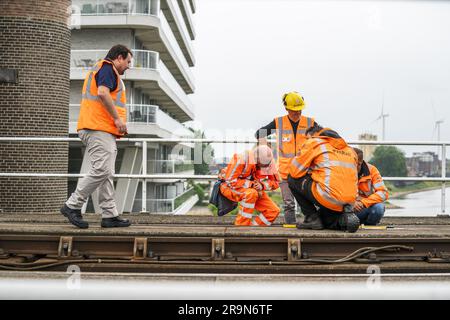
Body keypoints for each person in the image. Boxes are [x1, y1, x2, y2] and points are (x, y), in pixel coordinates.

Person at [60, 44, 133, 229]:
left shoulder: (106, 70)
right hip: (97, 129)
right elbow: (102, 93)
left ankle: (109, 215)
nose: (129, 66)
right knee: (102, 170)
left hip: (100, 129)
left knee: (106, 172)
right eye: (128, 61)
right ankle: (72, 205)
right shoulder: (107, 68)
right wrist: (117, 120)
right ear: (118, 57)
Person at [255, 91, 321, 224]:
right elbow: (259, 133)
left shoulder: (310, 122)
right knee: (289, 203)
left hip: (305, 171)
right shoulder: (279, 122)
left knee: (311, 202)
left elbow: (324, 135)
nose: (298, 112)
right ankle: (290, 228)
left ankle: (312, 222)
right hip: (286, 171)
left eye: (299, 110)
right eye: (294, 110)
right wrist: (263, 144)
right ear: (287, 108)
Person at [287, 126, 360, 232]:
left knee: (292, 179)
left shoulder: (315, 143)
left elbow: (295, 171)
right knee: (325, 219)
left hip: (328, 196)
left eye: (308, 138)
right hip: (349, 202)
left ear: (316, 135)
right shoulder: (351, 150)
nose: (308, 141)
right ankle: (342, 220)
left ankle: (311, 218)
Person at [219, 145, 281, 226]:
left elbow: (276, 182)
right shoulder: (241, 159)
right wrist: (252, 185)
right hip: (228, 186)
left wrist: (262, 186)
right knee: (251, 193)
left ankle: (254, 229)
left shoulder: (268, 162)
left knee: (273, 211)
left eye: (266, 165)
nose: (264, 167)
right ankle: (241, 228)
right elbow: (230, 181)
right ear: (255, 157)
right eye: (261, 164)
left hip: (254, 189)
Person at [353, 148, 389, 225]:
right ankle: (351, 223)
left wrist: (363, 202)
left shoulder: (372, 170)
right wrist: (352, 203)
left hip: (365, 207)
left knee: (378, 209)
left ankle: (368, 225)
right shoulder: (343, 170)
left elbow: (383, 193)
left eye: (355, 164)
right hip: (349, 209)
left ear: (360, 163)